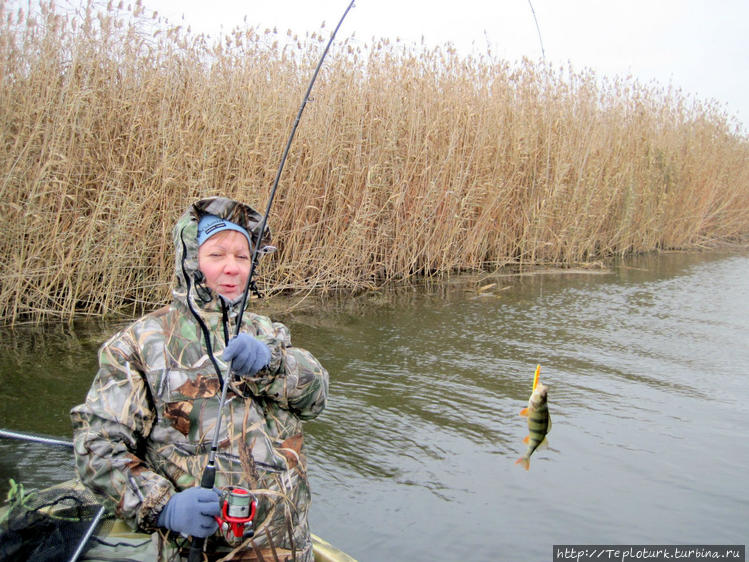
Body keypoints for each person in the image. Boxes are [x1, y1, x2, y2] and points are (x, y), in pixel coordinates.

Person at [71, 196, 328, 561]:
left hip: (289, 548)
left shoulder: (267, 331)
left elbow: (317, 398)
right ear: (191, 260)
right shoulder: (140, 344)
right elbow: (95, 447)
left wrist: (272, 364)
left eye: (243, 257)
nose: (233, 268)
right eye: (217, 255)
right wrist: (164, 506)